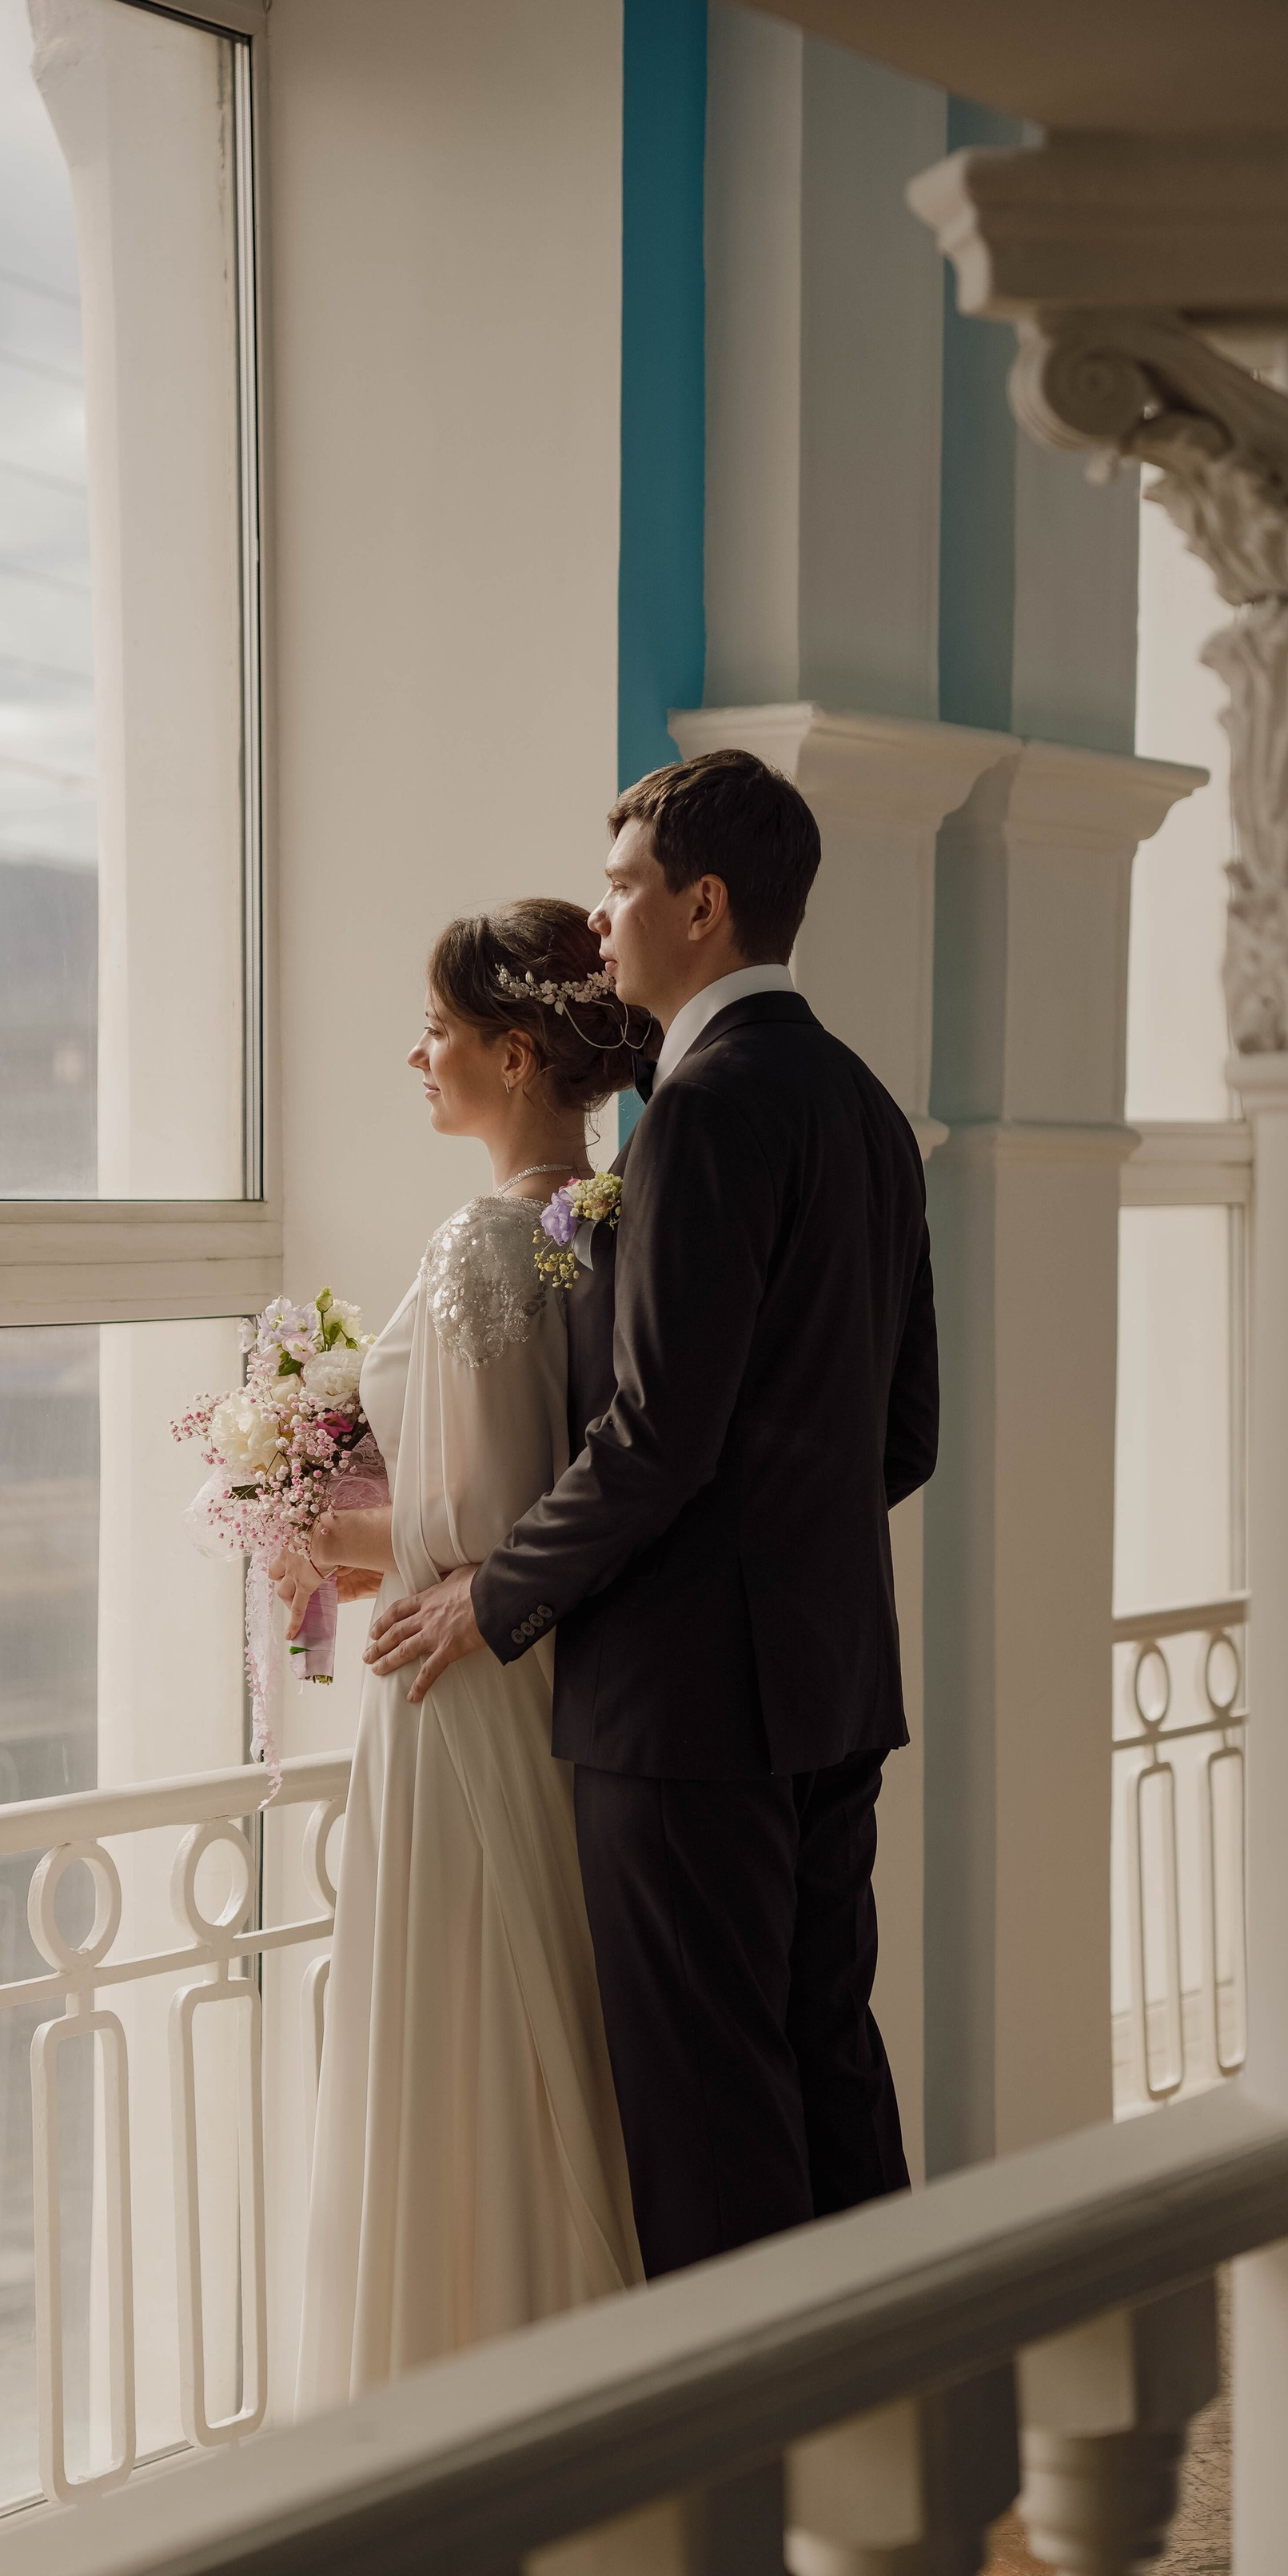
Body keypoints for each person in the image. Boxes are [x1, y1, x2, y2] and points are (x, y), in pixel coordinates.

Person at [368, 749, 937, 2278]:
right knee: (829, 2064)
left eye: (622, 888)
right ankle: (890, 2415)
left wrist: (491, 1599)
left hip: (688, 1712)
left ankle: (746, 2484)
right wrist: (779, 1563)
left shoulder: (699, 1112)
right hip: (832, 1684)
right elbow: (901, 1434)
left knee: (709, 2116)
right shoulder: (868, 1109)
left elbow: (655, 1438)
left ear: (703, 902)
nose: (604, 923)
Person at [274, 901, 650, 2411]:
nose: (414, 1053)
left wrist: (324, 1540)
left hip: (461, 1692)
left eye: (437, 1027)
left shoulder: (494, 1235)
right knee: (509, 2029)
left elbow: (479, 1518)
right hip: (527, 1670)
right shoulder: (595, 1215)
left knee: (459, 2040)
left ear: (512, 1051)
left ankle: (456, 2407)